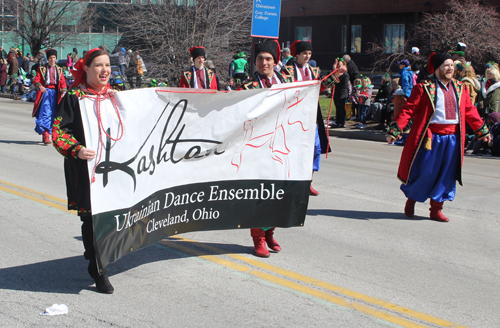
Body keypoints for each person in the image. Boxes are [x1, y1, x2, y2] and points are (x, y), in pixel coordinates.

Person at [387, 52, 491, 222]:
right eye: (446, 65)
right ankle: (412, 199)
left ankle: (436, 209)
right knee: (425, 172)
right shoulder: (424, 88)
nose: (450, 68)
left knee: (447, 174)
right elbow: (408, 110)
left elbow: (470, 111)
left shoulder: (460, 87)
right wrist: (395, 130)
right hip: (430, 138)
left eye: (451, 65)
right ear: (437, 68)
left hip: (453, 139)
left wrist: (482, 131)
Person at [52, 48, 117, 294]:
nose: (104, 70)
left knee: (111, 217)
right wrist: (76, 149)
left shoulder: (115, 95)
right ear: (86, 69)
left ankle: (103, 257)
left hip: (114, 169)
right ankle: (97, 267)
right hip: (85, 169)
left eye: (108, 65)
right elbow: (59, 132)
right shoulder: (74, 97)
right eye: (98, 65)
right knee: (91, 218)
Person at [239, 40, 293, 258]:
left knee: (278, 194)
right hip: (258, 148)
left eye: (268, 59)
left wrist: (335, 76)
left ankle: (270, 232)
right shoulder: (247, 87)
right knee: (260, 194)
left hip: (282, 146)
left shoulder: (287, 82)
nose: (264, 62)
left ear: (275, 61)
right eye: (260, 58)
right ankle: (258, 239)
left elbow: (309, 93)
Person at [282, 40, 337, 195]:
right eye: (304, 53)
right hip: (293, 114)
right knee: (293, 149)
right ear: (297, 55)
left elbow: (320, 87)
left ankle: (308, 181)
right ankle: (291, 182)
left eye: (309, 54)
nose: (307, 56)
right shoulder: (288, 71)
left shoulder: (313, 71)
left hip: (311, 114)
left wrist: (336, 74)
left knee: (315, 148)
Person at [32, 48, 67, 145]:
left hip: (56, 94)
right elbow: (36, 80)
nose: (52, 59)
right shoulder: (42, 69)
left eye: (54, 57)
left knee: (55, 114)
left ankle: (53, 134)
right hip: (46, 93)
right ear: (48, 59)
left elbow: (63, 83)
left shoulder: (59, 70)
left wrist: (64, 91)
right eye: (51, 58)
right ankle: (46, 135)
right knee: (46, 113)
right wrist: (40, 86)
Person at [333, 58, 350, 128]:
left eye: (340, 66)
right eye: (338, 66)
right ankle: (338, 121)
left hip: (342, 95)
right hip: (336, 94)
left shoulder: (345, 75)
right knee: (338, 109)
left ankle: (342, 122)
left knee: (342, 109)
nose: (338, 67)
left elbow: (345, 86)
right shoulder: (336, 75)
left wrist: (337, 78)